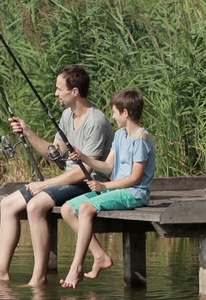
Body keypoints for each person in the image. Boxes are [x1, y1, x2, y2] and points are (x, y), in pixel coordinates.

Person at [0, 65, 114, 286]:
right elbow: (54, 153)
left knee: (35, 206)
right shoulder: (66, 115)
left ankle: (38, 278)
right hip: (69, 179)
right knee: (7, 204)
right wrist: (27, 132)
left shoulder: (96, 121)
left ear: (74, 91)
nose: (55, 93)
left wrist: (45, 185)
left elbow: (86, 171)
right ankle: (0, 271)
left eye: (58, 88)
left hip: (91, 183)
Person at [59, 88, 156, 289]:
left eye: (114, 112)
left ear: (126, 112)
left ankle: (75, 267)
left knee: (86, 208)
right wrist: (83, 157)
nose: (112, 116)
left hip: (134, 193)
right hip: (115, 190)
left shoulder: (141, 139)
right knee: (67, 209)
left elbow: (135, 178)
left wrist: (104, 185)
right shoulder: (120, 135)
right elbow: (108, 166)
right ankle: (100, 256)